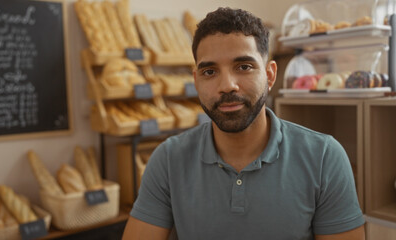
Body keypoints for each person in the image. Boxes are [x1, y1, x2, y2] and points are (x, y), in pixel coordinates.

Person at [122, 7, 365, 240]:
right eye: (210, 72)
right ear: (196, 81)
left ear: (270, 75)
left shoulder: (324, 157)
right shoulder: (168, 160)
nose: (227, 85)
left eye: (244, 67)